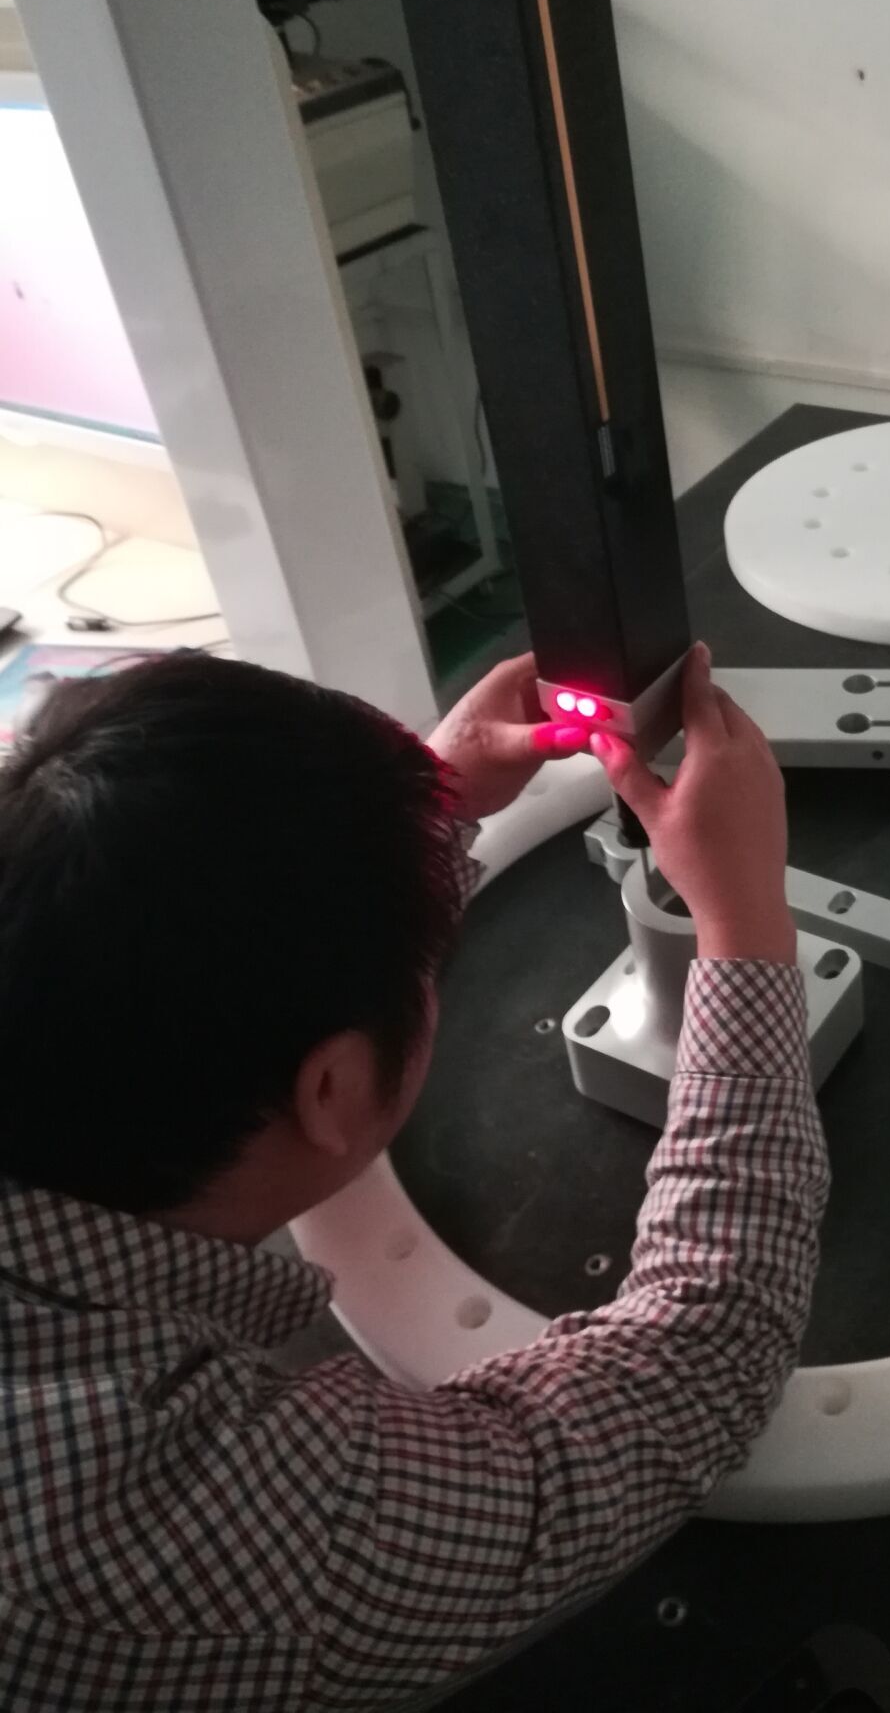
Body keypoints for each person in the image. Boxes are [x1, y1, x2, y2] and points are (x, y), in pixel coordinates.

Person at [0, 642, 827, 1713]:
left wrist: (417, 813)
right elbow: (702, 1361)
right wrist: (745, 922)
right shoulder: (183, 1528)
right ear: (333, 1089)